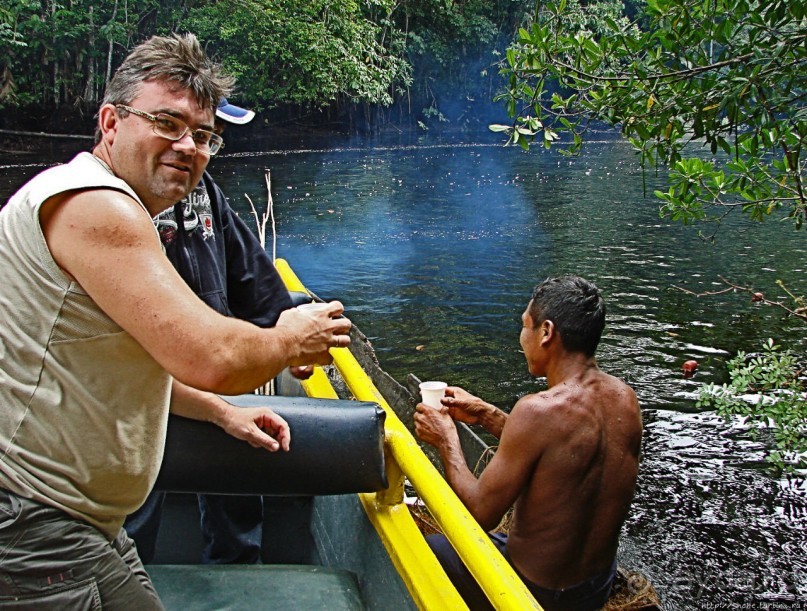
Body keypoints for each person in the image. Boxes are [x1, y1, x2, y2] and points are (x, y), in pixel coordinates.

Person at [0, 33, 350, 609]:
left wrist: (218, 413)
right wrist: (288, 339)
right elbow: (209, 355)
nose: (189, 146)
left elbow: (109, 362)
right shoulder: (95, 204)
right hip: (30, 521)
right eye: (167, 123)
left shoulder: (110, 203)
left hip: (83, 521)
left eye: (205, 136)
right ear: (111, 122)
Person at [124, 98, 296, 565]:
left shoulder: (205, 190)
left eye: (206, 135)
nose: (191, 146)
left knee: (235, 493)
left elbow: (247, 270)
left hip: (219, 366)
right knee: (134, 503)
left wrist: (285, 327)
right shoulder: (116, 202)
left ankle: (238, 579)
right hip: (144, 377)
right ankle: (133, 581)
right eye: (175, 128)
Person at [414, 276, 642, 611]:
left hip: (538, 593)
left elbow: (480, 512)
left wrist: (446, 438)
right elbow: (561, 454)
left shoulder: (537, 410)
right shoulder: (625, 400)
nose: (522, 338)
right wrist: (486, 414)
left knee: (428, 550)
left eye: (525, 326)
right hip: (594, 587)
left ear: (546, 332)